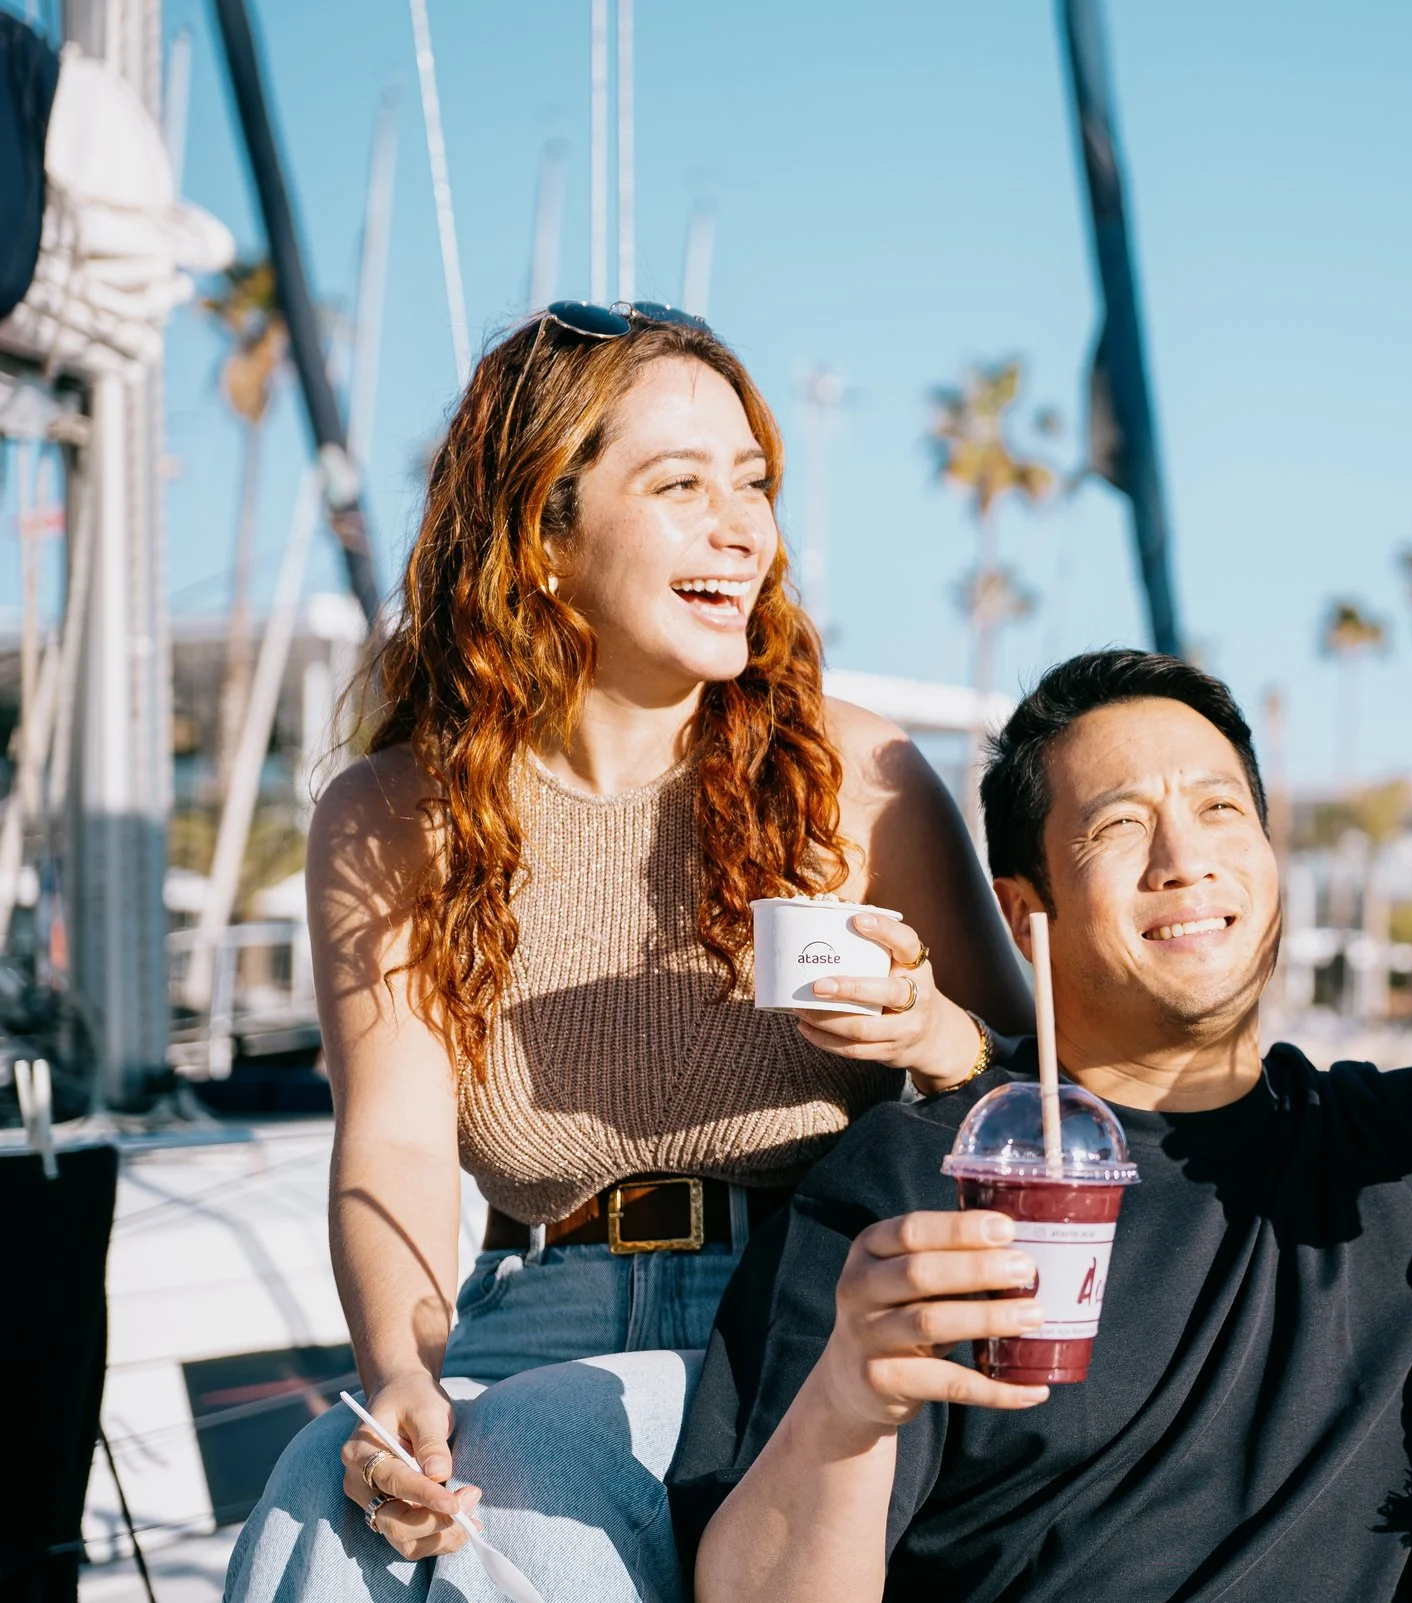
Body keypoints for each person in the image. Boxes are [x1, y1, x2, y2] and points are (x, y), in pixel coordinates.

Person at [225, 301, 1030, 1602]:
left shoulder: (858, 775)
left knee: (532, 1508)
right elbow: (399, 1146)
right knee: (336, 1484)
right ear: (543, 536)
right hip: (537, 1294)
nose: (742, 525)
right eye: (681, 484)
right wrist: (402, 1382)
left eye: (754, 482)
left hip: (798, 1303)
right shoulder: (395, 815)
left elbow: (1044, 1092)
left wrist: (927, 1029)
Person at [667, 650, 1412, 1603]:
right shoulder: (924, 1183)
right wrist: (844, 1412)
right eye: (1122, 825)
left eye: (1222, 810)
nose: (1186, 862)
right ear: (1024, 911)